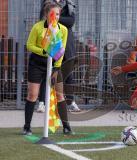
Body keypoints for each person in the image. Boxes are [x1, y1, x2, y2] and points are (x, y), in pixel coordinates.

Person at [23, 2, 73, 135]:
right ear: (46, 14)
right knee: (32, 94)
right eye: (52, 14)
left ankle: (66, 126)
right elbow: (29, 45)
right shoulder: (37, 27)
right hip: (37, 64)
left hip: (55, 64)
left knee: (59, 94)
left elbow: (61, 50)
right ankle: (27, 127)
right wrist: (44, 52)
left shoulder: (63, 30)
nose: (55, 17)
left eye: (57, 14)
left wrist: (56, 66)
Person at [38, 0, 81, 112]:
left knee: (68, 75)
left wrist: (54, 18)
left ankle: (71, 102)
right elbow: (43, 20)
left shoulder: (69, 5)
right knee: (47, 73)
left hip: (67, 44)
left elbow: (70, 22)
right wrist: (56, 19)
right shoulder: (46, 4)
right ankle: (42, 102)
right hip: (51, 43)